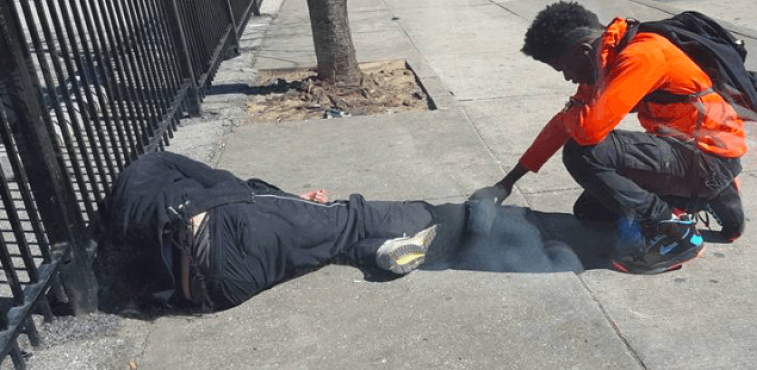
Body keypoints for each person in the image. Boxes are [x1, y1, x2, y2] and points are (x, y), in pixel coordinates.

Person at [97, 151, 579, 312]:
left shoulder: (119, 235)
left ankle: (382, 252)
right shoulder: (153, 164)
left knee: (333, 243)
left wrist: (288, 209)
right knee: (351, 216)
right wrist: (289, 199)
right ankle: (454, 220)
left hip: (216, 291)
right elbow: (233, 190)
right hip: (226, 236)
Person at [472, 1, 747, 274]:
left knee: (584, 153)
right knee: (592, 211)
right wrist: (506, 183)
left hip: (709, 158)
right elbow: (562, 123)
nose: (568, 78)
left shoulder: (641, 55)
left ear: (582, 50)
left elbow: (588, 131)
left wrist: (573, 113)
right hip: (702, 152)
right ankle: (712, 194)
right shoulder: (608, 55)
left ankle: (677, 233)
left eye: (565, 68)